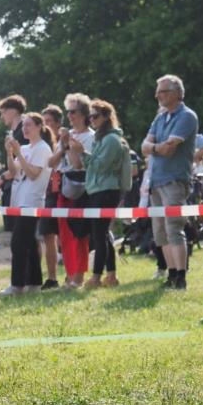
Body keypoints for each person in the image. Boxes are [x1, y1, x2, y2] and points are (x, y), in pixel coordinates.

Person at [141, 74, 199, 291]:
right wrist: (156, 147)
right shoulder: (160, 118)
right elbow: (145, 146)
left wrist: (153, 148)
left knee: (174, 228)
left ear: (176, 93)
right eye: (157, 91)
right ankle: (172, 274)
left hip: (175, 180)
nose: (157, 95)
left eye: (162, 91)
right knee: (160, 232)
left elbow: (169, 149)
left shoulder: (187, 116)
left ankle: (181, 278)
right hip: (156, 181)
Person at [73, 100, 127, 289]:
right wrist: (84, 154)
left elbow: (100, 166)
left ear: (106, 117)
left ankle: (97, 277)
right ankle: (110, 276)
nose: (91, 120)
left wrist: (82, 153)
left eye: (95, 116)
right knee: (102, 235)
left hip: (106, 191)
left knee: (99, 235)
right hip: (98, 190)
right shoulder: (101, 138)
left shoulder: (111, 140)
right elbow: (93, 165)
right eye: (90, 117)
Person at [3, 114, 53, 294]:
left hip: (32, 201)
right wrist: (10, 154)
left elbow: (33, 174)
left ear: (40, 126)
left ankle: (17, 284)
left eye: (29, 125)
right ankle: (34, 283)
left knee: (18, 243)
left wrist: (18, 154)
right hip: (19, 201)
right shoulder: (24, 148)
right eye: (23, 125)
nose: (25, 129)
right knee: (30, 243)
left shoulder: (42, 148)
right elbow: (12, 171)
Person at [51, 93, 94, 288]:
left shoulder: (90, 137)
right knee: (64, 235)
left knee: (79, 234)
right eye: (67, 112)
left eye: (73, 112)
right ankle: (69, 274)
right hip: (63, 188)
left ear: (84, 114)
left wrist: (69, 146)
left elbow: (78, 165)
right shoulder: (66, 136)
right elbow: (51, 163)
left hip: (80, 189)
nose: (69, 116)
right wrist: (63, 145)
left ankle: (78, 276)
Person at [39, 106, 64, 289]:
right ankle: (52, 277)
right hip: (48, 193)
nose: (45, 125)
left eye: (48, 121)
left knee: (67, 235)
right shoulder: (42, 145)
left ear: (57, 123)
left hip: (65, 191)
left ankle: (72, 275)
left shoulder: (64, 141)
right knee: (48, 235)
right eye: (43, 122)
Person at [0, 95, 28, 231]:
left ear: (13, 111)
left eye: (3, 112)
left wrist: (2, 177)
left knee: (24, 240)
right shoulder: (13, 134)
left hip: (23, 191)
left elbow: (23, 163)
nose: (1, 117)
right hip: (12, 190)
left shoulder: (24, 133)